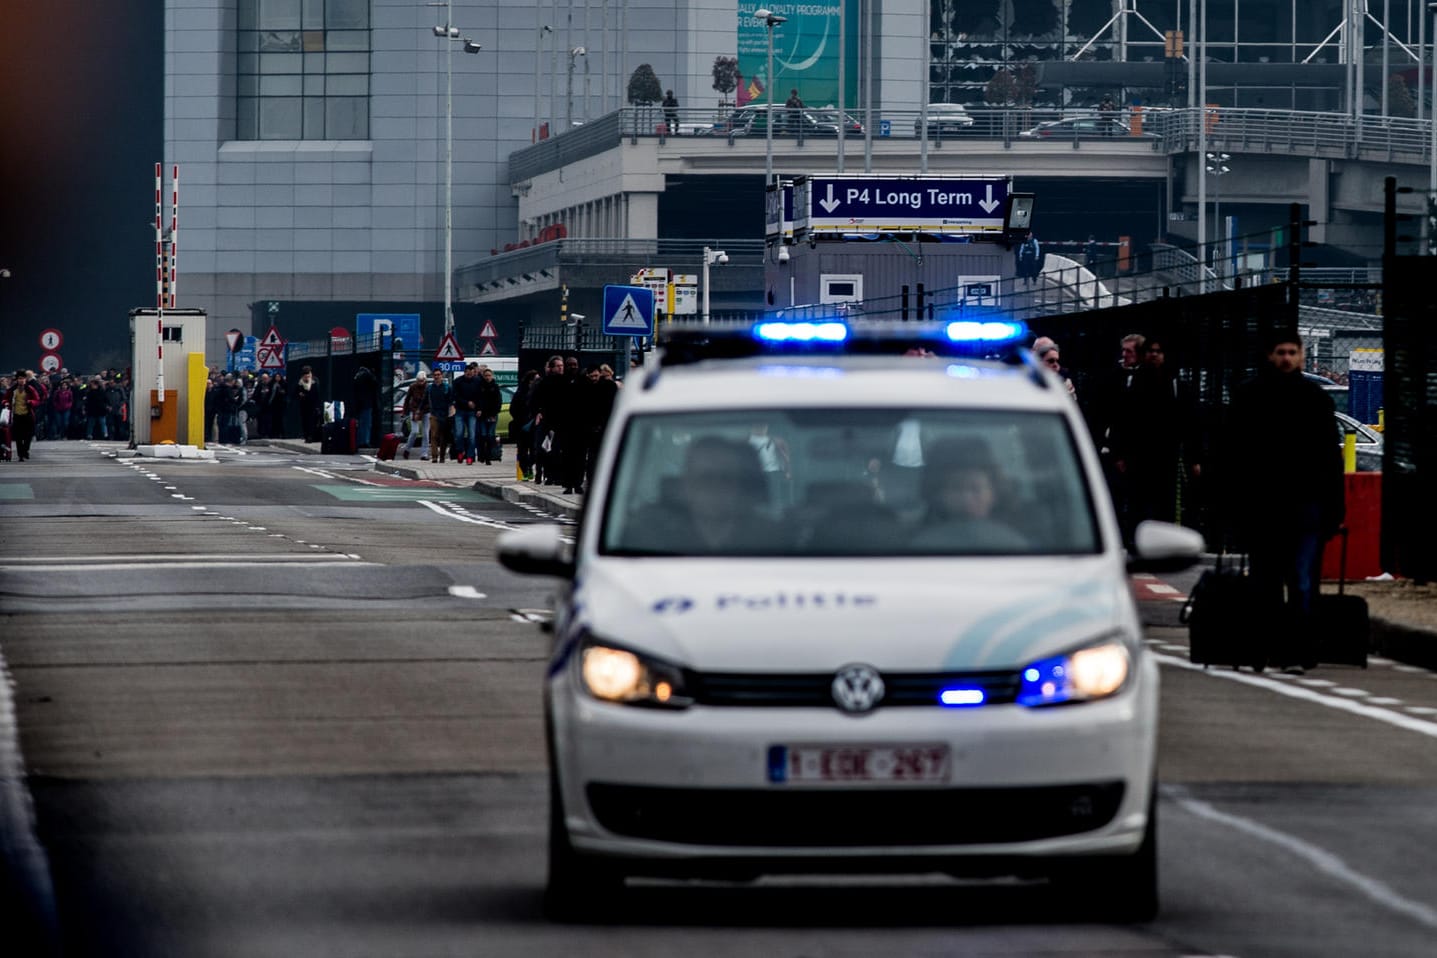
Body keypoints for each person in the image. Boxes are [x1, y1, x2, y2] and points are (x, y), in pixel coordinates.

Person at [1224, 330, 1344, 674]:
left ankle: (1290, 650)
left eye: (1292, 352)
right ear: (1270, 355)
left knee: (1298, 581)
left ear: (1302, 356)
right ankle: (1278, 649)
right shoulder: (1254, 396)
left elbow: (1329, 457)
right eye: (1281, 352)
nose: (1287, 358)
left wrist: (1333, 507)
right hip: (1268, 506)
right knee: (1272, 581)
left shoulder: (1314, 398)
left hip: (1302, 505)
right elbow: (1234, 454)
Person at [1110, 335, 1200, 531]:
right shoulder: (1134, 383)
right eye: (1150, 351)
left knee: (1164, 506)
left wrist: (1193, 458)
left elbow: (1189, 423)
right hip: (1138, 458)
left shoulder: (1175, 384)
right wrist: (1119, 454)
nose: (1154, 355)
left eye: (1158, 351)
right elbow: (1122, 420)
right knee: (1137, 506)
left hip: (1166, 457)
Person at [628, 436, 775, 553]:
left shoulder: (770, 537)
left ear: (738, 485)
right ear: (686, 484)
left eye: (725, 478)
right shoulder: (650, 535)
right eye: (706, 478)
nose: (716, 488)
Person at [912, 440, 1029, 553]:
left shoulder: (1016, 544)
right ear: (938, 494)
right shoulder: (916, 545)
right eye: (956, 488)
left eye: (975, 489)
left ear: (994, 493)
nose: (966, 498)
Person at [450, 362, 483, 465]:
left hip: (472, 412)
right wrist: (466, 402)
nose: (469, 374)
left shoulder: (478, 382)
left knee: (472, 435)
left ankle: (470, 456)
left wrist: (479, 408)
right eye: (467, 373)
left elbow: (481, 396)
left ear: (473, 373)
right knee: (459, 434)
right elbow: (455, 396)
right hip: (460, 410)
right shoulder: (458, 382)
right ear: (464, 372)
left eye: (471, 373)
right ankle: (460, 451)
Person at [5, 370, 42, 461]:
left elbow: (37, 399)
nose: (21, 380)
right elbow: (5, 399)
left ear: (26, 379)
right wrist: (6, 403)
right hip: (16, 415)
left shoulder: (30, 389)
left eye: (23, 378)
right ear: (17, 380)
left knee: (28, 435)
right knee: (18, 437)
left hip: (28, 415)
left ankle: (25, 450)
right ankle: (20, 455)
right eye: (20, 379)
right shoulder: (12, 390)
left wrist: (31, 402)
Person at [475, 365, 503, 464]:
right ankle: (482, 455)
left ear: (492, 376)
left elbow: (498, 401)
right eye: (486, 375)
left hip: (492, 415)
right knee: (483, 435)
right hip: (482, 415)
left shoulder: (495, 387)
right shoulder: (480, 386)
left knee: (490, 436)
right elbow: (478, 399)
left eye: (489, 375)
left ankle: (489, 456)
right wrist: (478, 409)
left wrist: (494, 413)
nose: (487, 377)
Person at [401, 371, 431, 460]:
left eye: (422, 381)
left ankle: (424, 453)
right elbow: (407, 400)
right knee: (414, 431)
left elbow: (430, 400)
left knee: (426, 432)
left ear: (425, 380)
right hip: (415, 410)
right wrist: (404, 412)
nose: (420, 382)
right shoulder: (413, 387)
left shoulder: (428, 388)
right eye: (419, 380)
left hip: (426, 410)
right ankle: (407, 449)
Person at [427, 367, 454, 463]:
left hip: (444, 414)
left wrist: (451, 413)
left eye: (438, 375)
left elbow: (451, 401)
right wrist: (420, 411)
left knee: (443, 437)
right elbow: (425, 400)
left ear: (441, 376)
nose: (437, 377)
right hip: (434, 413)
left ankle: (442, 456)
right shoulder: (430, 388)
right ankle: (434, 456)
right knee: (434, 436)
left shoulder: (447, 387)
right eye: (435, 375)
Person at [351, 365, 379, 448]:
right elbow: (375, 383)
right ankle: (364, 441)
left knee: (361, 423)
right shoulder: (367, 375)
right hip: (367, 403)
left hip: (359, 403)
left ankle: (360, 440)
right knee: (366, 423)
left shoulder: (357, 376)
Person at [294, 366, 323, 442]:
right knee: (305, 421)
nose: (307, 376)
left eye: (308, 373)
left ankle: (311, 436)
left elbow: (317, 392)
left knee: (312, 421)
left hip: (313, 404)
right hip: (304, 405)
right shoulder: (300, 382)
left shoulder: (314, 381)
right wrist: (300, 394)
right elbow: (295, 392)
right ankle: (306, 436)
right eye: (305, 374)